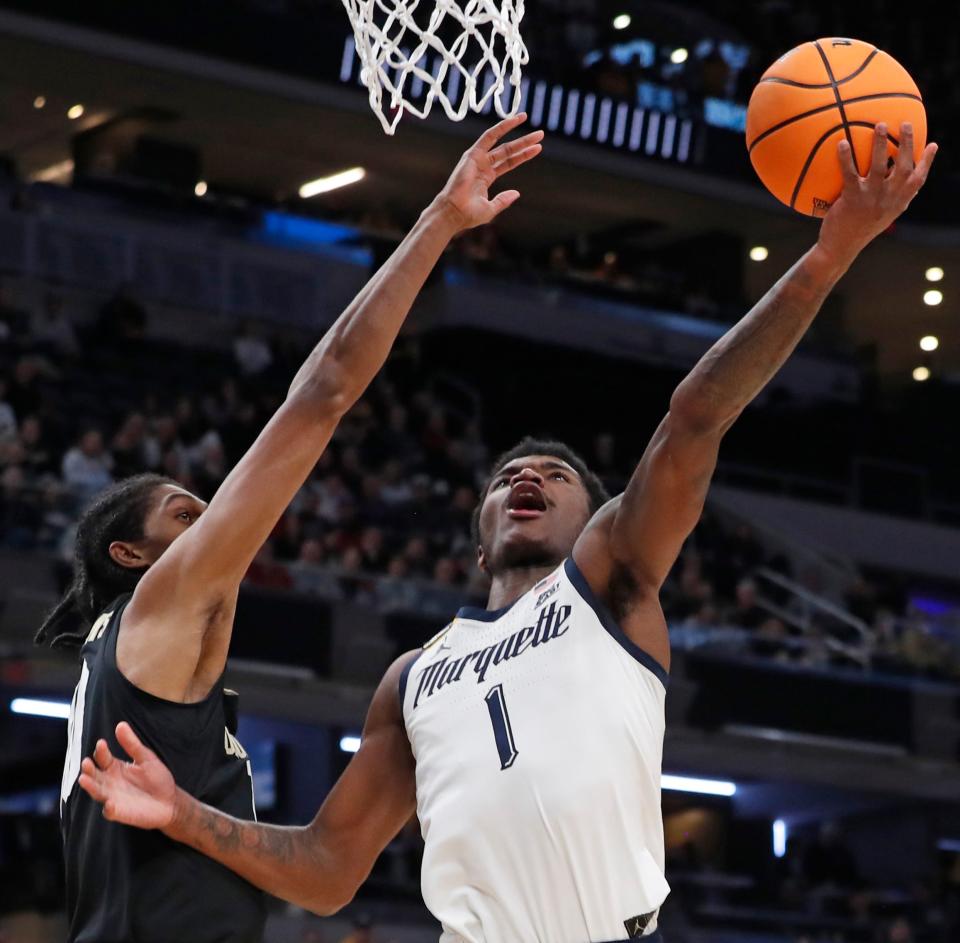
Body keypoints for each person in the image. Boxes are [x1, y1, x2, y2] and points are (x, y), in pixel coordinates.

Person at [79, 123, 935, 942]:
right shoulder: (412, 677)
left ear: (595, 519)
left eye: (557, 477)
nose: (527, 477)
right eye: (506, 478)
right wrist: (186, 814)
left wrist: (829, 257)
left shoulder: (610, 583)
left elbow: (697, 419)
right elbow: (330, 866)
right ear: (479, 536)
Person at [47, 113, 542, 943]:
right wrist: (439, 222)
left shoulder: (125, 671)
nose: (212, 521)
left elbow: (319, 876)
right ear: (129, 554)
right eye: (184, 513)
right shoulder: (160, 603)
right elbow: (323, 394)